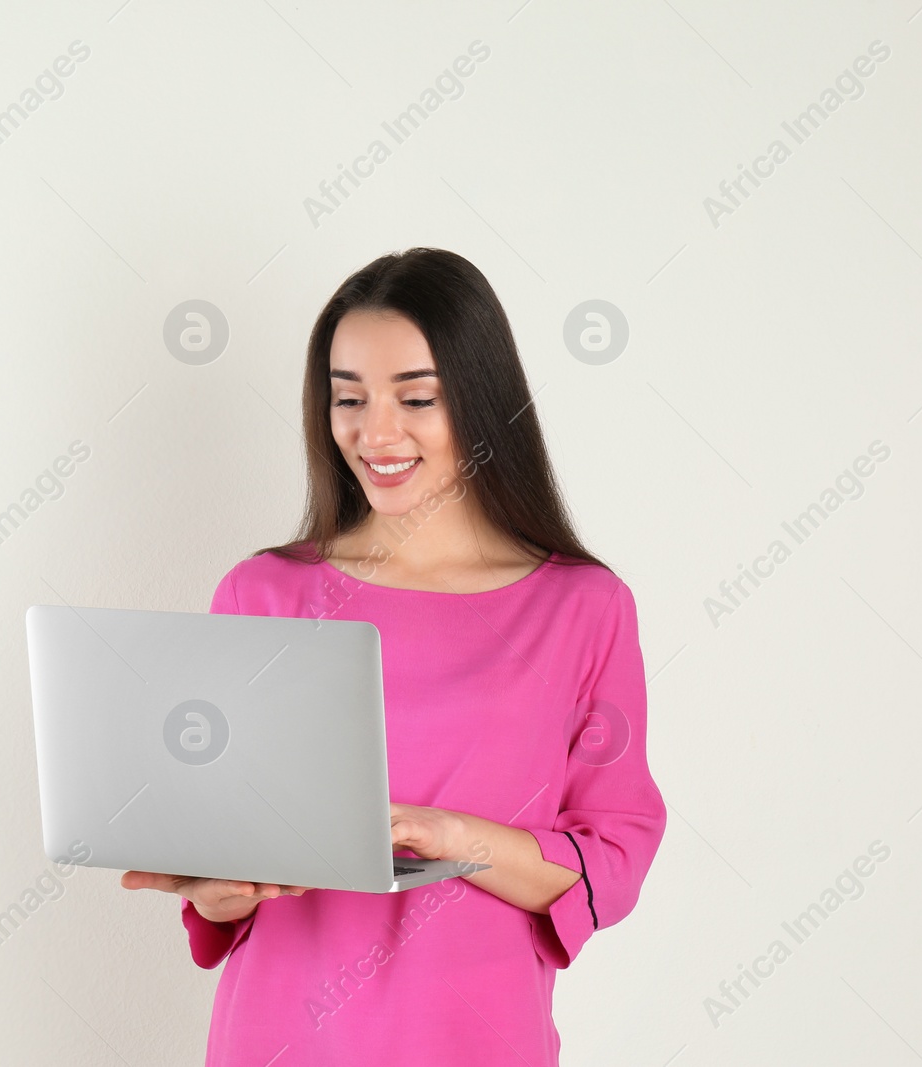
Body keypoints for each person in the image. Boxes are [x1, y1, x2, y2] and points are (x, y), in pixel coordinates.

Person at [119, 247, 667, 1065]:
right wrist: (218, 891)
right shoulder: (261, 594)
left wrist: (456, 838)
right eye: (349, 398)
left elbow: (612, 861)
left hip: (477, 1037)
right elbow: (222, 857)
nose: (375, 433)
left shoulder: (582, 607)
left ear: (481, 401)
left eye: (416, 397)